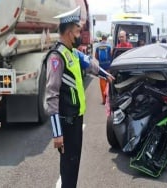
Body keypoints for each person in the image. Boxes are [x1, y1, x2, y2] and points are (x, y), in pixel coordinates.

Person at [45, 6, 114, 188]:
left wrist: (106, 74)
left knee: (73, 164)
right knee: (68, 167)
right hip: (66, 124)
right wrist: (57, 133)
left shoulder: (72, 53)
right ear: (68, 33)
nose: (79, 35)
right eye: (77, 31)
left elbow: (90, 64)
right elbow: (51, 95)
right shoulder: (57, 57)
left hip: (75, 120)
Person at [95, 35, 112, 105]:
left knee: (102, 84)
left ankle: (104, 100)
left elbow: (96, 56)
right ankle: (109, 99)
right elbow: (111, 55)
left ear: (101, 39)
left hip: (101, 67)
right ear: (106, 39)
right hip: (108, 67)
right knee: (109, 83)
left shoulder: (97, 46)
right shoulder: (109, 46)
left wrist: (100, 62)